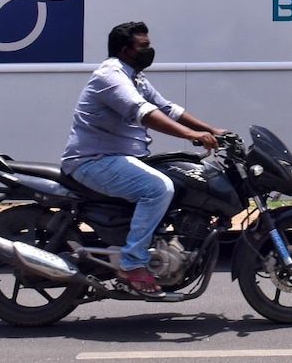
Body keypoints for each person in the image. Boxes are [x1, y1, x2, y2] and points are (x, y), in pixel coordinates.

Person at [61, 21, 226, 297]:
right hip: (93, 161)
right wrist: (190, 135)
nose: (150, 51)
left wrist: (211, 129)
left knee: (178, 177)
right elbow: (143, 112)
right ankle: (132, 263)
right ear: (125, 50)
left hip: (119, 158)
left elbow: (167, 108)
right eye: (143, 46)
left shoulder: (134, 77)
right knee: (158, 188)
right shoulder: (110, 75)